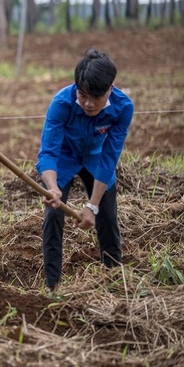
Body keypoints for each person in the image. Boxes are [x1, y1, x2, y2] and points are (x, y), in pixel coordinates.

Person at [36, 48, 134, 291]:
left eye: (96, 98)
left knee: (107, 216)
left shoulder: (123, 107)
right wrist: (52, 188)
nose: (88, 103)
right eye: (82, 95)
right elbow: (48, 152)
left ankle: (113, 280)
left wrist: (92, 205)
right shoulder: (61, 103)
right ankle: (53, 287)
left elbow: (110, 157)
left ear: (111, 88)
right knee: (53, 215)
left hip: (97, 160)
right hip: (65, 159)